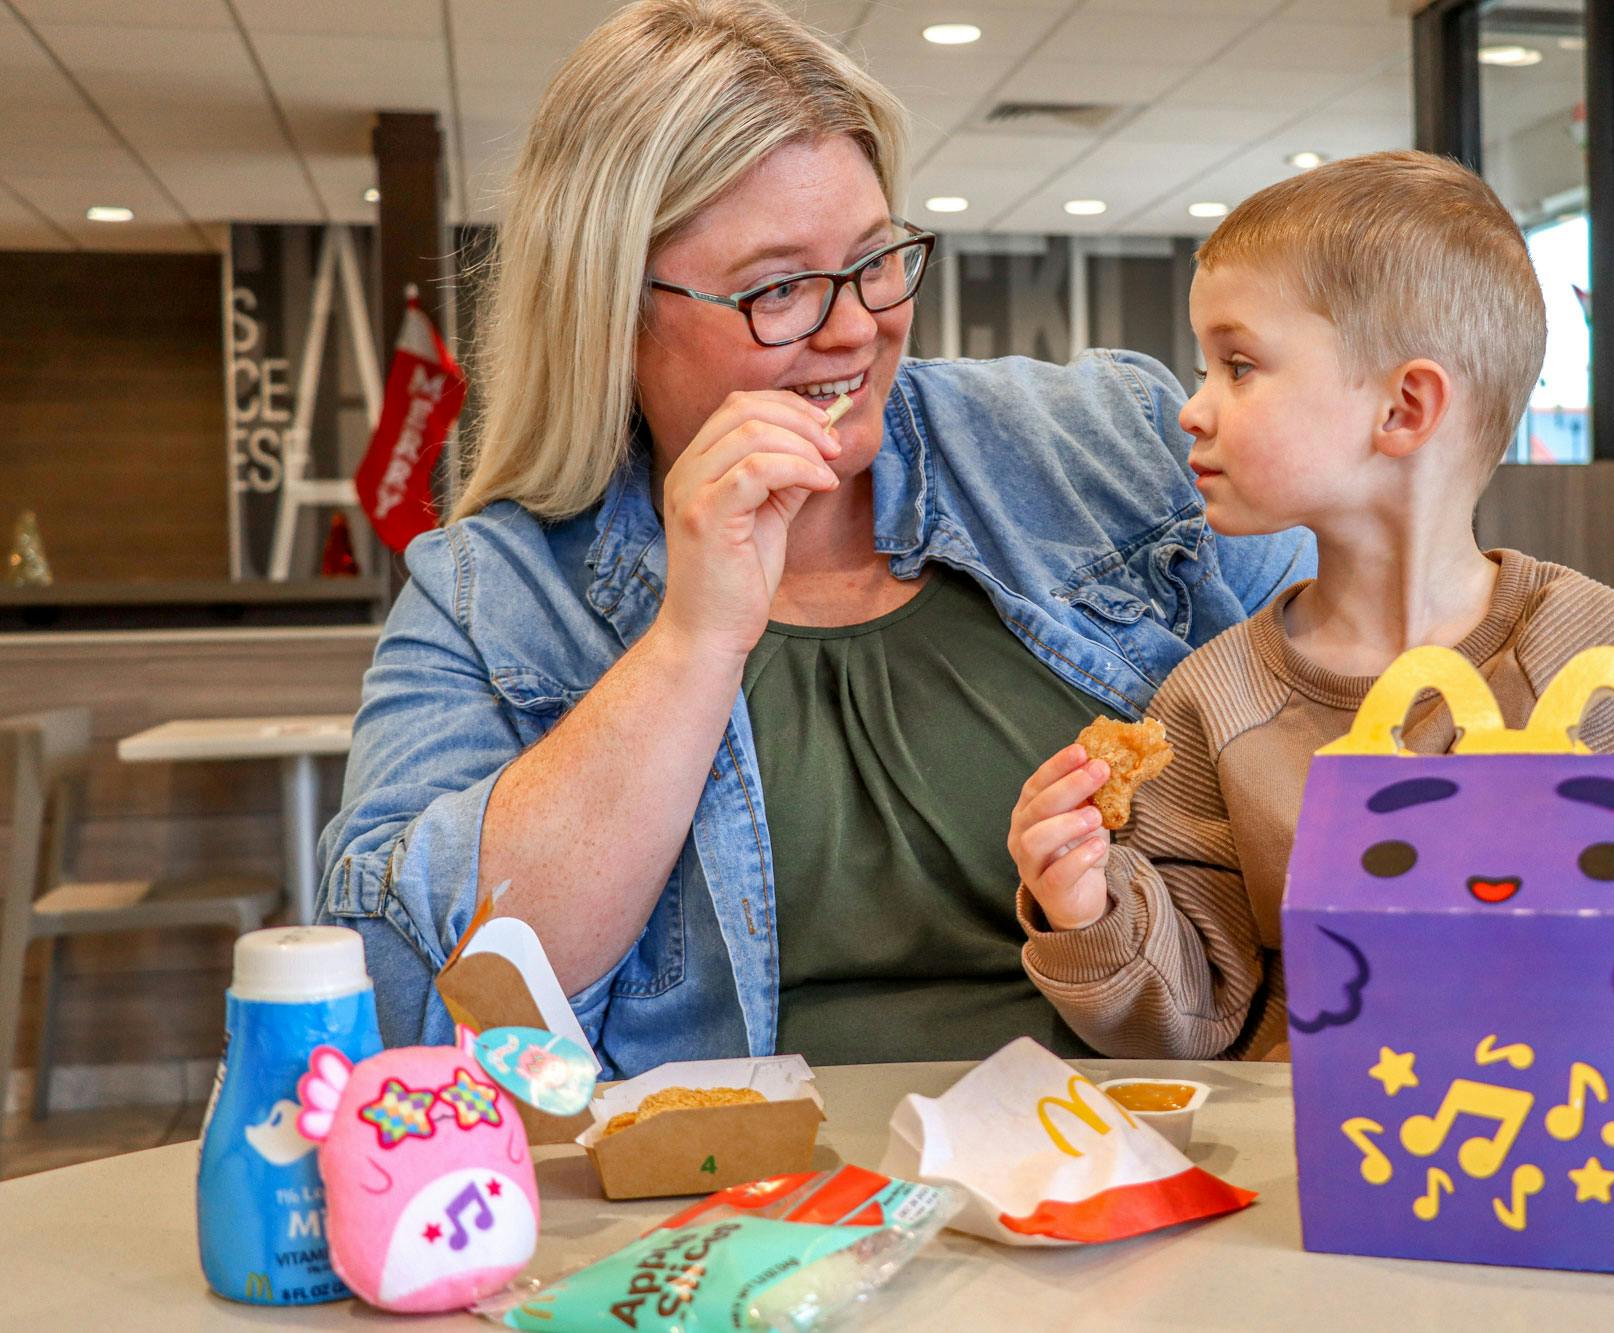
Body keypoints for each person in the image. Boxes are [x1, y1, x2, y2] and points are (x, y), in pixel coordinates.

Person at [317, 0, 1310, 1072]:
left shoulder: (1108, 443)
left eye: (876, 261)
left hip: (1162, 1172)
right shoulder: (494, 592)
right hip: (737, 1210)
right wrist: (691, 642)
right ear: (613, 308)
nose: (854, 327)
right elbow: (402, 1014)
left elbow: (1381, 752)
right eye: (779, 288)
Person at [1007, 151, 1614, 1060]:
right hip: (1306, 1161)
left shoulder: (1588, 650)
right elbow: (1196, 1010)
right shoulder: (1210, 700)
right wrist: (1085, 902)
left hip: (1553, 1146)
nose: (1192, 409)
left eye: (1240, 365)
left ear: (1404, 407)